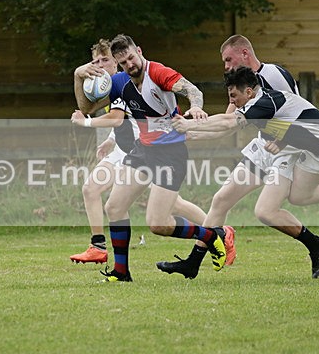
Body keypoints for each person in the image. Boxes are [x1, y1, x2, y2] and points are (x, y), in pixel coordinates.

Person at [171, 66, 319, 278]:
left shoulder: (264, 102)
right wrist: (189, 133)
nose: (232, 101)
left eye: (234, 96)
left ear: (249, 91)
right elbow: (227, 127)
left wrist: (189, 123)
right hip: (312, 154)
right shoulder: (255, 103)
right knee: (298, 196)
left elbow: (227, 123)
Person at [162, 34, 319, 279]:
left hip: (285, 148)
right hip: (263, 146)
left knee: (266, 211)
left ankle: (316, 243)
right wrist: (191, 134)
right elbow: (230, 123)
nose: (225, 66)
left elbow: (296, 112)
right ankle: (192, 264)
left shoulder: (274, 75)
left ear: (244, 54)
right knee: (222, 199)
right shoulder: (239, 84)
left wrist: (283, 141)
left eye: (228, 59)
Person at [71, 34, 235, 282]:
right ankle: (121, 272)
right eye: (123, 62)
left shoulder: (157, 72)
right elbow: (85, 108)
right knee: (114, 207)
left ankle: (211, 235)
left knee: (158, 224)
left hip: (171, 154)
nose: (129, 65)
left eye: (130, 58)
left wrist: (197, 106)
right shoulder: (119, 82)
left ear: (139, 50)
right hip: (143, 150)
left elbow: (191, 89)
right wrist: (78, 75)